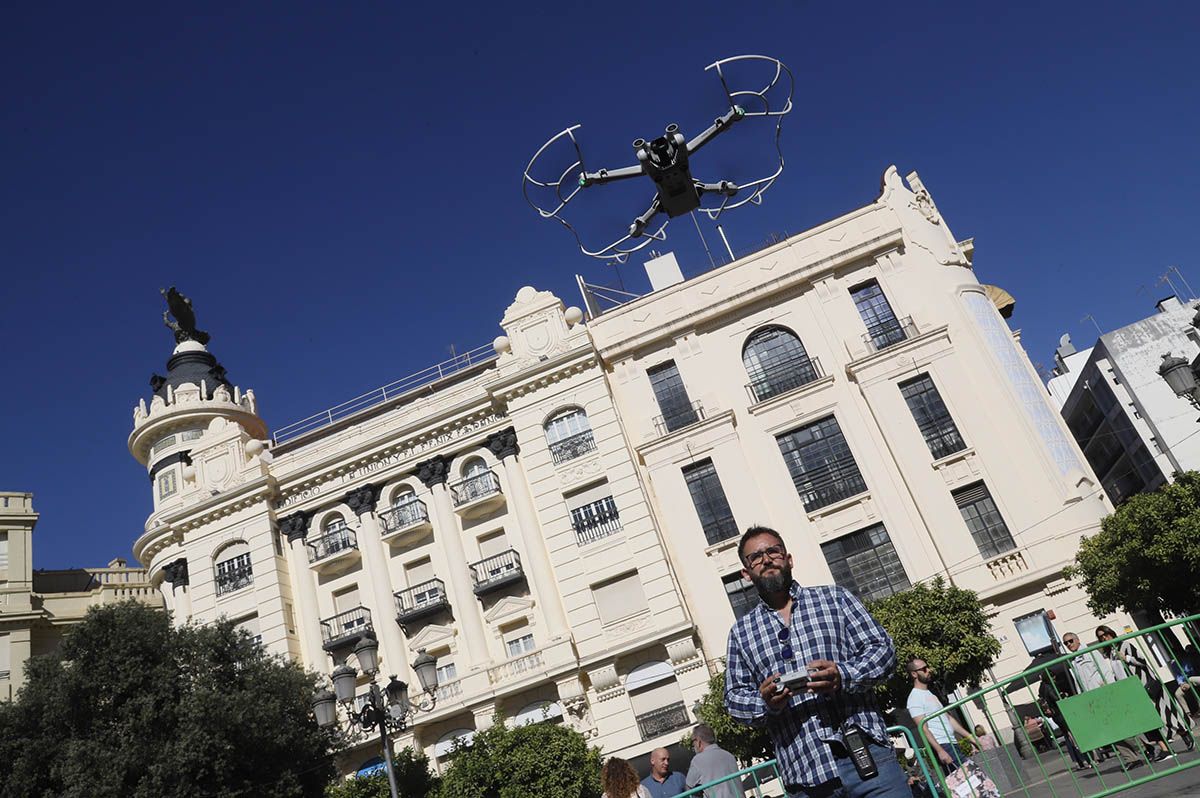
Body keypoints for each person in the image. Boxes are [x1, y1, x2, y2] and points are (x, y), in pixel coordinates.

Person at [725, 525, 911, 798]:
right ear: (746, 573)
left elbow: (883, 650)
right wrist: (765, 702)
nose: (766, 560)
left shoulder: (834, 598)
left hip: (868, 759)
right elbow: (733, 699)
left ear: (788, 559)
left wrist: (843, 675)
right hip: (806, 774)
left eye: (773, 552)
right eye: (755, 557)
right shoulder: (740, 634)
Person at [1096, 625, 1194, 757]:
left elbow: (1142, 660)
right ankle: (1165, 748)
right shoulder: (1111, 654)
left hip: (1146, 685)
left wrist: (1127, 658)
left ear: (1111, 633)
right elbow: (1119, 673)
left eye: (1105, 634)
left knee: (1164, 714)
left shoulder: (1125, 645)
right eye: (1101, 637)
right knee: (1150, 720)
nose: (1104, 638)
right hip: (1131, 691)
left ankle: (1184, 733)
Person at [1063, 631, 1143, 768]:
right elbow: (1079, 682)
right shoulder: (1074, 660)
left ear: (1077, 640)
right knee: (1111, 731)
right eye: (1066, 643)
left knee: (1120, 726)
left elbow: (1104, 670)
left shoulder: (1091, 652)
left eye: (1071, 641)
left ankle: (1144, 746)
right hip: (1092, 699)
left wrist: (1109, 688)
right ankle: (1131, 759)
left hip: (1103, 694)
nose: (1069, 644)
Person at [905, 658, 977, 771]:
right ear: (914, 674)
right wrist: (940, 751)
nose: (928, 670)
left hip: (952, 742)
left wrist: (971, 737)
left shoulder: (930, 693)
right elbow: (923, 729)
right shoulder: (914, 698)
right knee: (973, 777)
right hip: (943, 745)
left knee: (968, 782)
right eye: (924, 669)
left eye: (927, 667)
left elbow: (948, 718)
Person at [685, 724, 741, 798]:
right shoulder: (729, 755)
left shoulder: (698, 760)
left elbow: (688, 787)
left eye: (693, 741)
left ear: (698, 741)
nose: (693, 745)